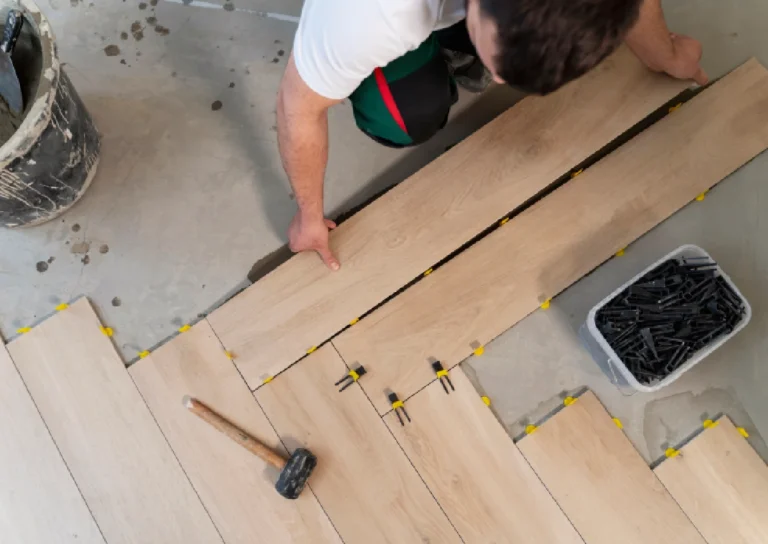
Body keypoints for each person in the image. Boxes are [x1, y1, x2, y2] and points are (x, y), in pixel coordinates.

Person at [276, 0, 707, 270]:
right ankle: (436, 51)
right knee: (407, 115)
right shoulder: (371, 15)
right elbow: (298, 107)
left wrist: (668, 56)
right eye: (500, 67)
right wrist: (309, 217)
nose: (497, 81)